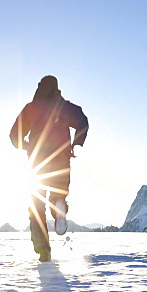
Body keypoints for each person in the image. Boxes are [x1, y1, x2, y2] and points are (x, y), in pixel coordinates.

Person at [10, 75, 88, 262]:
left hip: (37, 161)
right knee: (57, 194)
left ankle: (43, 250)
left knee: (36, 206)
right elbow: (82, 121)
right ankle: (59, 207)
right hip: (61, 160)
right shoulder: (64, 106)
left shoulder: (31, 109)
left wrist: (26, 145)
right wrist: (76, 143)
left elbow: (14, 135)